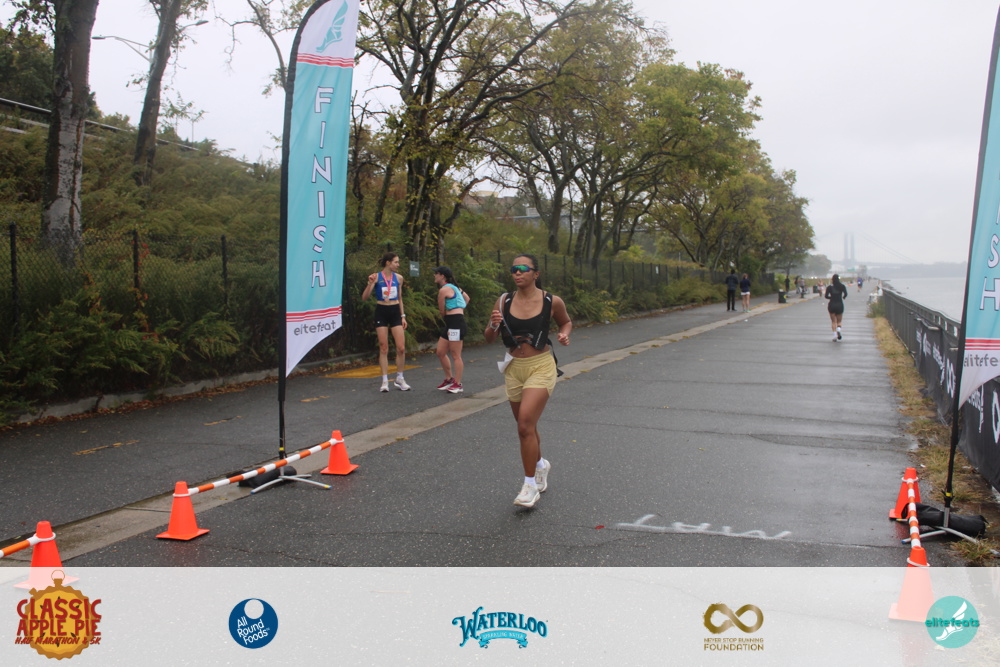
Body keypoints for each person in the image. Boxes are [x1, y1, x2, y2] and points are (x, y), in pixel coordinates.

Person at [484, 254, 572, 509]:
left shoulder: (551, 301)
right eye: (514, 269)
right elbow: (489, 337)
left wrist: (564, 334)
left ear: (536, 273)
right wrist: (493, 325)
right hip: (514, 368)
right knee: (527, 427)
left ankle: (529, 485)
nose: (517, 273)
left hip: (541, 366)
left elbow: (565, 322)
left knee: (524, 424)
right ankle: (541, 465)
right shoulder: (504, 300)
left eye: (523, 268)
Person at [361, 252, 410, 392]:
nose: (398, 265)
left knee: (401, 347)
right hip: (381, 311)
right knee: (384, 347)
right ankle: (384, 381)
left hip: (395, 311)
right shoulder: (376, 277)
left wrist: (403, 316)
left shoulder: (399, 278)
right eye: (396, 262)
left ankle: (400, 378)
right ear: (388, 262)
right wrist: (370, 284)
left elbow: (400, 298)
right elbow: (364, 297)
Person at [433, 266, 471, 394]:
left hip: (455, 323)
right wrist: (460, 308)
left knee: (456, 355)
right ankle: (449, 379)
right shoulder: (456, 287)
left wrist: (457, 311)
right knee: (440, 352)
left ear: (442, 276)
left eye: (436, 273)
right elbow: (467, 298)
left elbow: (441, 310)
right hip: (451, 323)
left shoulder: (444, 290)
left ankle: (458, 384)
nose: (434, 275)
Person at [825, 273, 848, 341]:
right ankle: (838, 329)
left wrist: (831, 297)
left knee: (833, 321)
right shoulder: (842, 286)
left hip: (832, 304)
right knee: (839, 321)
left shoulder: (829, 287)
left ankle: (835, 335)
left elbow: (826, 296)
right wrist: (843, 297)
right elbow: (846, 294)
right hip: (839, 304)